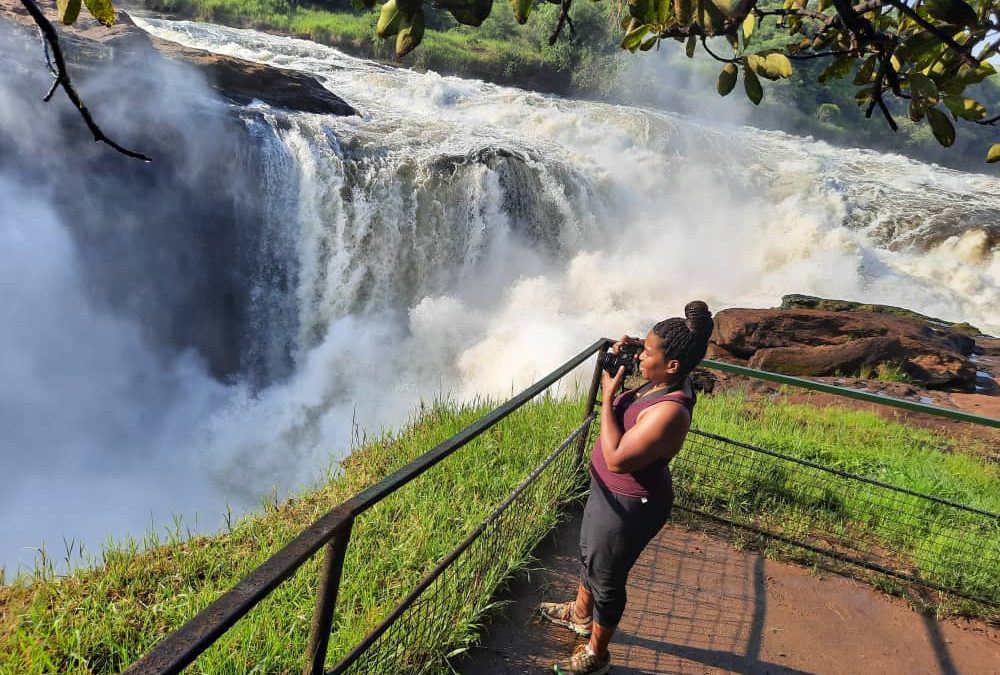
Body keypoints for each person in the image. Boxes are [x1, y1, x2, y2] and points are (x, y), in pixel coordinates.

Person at [540, 301, 714, 675]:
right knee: (591, 556)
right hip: (608, 495)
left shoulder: (671, 410)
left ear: (672, 365)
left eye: (647, 352)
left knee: (608, 578)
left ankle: (596, 656)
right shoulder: (662, 380)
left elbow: (617, 456)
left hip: (629, 506)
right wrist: (631, 353)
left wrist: (607, 395)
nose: (640, 357)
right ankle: (580, 614)